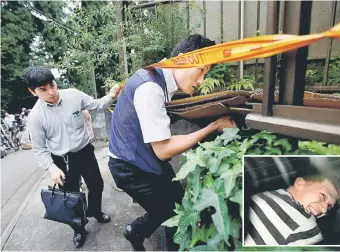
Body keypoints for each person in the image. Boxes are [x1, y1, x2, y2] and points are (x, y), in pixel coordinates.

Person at [108, 34, 236, 251]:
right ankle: (152, 238)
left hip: (139, 157)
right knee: (174, 210)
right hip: (130, 167)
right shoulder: (150, 88)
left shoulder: (154, 74)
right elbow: (164, 150)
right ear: (184, 59)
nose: (202, 80)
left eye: (206, 73)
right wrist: (212, 127)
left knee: (174, 203)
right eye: (201, 70)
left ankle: (135, 231)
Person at [24, 66, 120, 248]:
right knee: (71, 197)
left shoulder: (73, 95)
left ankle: (95, 212)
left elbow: (97, 104)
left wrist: (112, 95)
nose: (51, 92)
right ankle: (79, 228)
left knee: (96, 185)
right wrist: (52, 168)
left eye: (52, 85)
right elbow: (39, 149)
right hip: (62, 161)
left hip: (84, 151)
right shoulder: (36, 117)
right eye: (43, 90)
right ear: (32, 91)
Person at [244, 172, 340, 246]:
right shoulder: (270, 194)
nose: (325, 209)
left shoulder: (310, 229)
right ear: (299, 183)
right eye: (323, 195)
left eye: (330, 206)